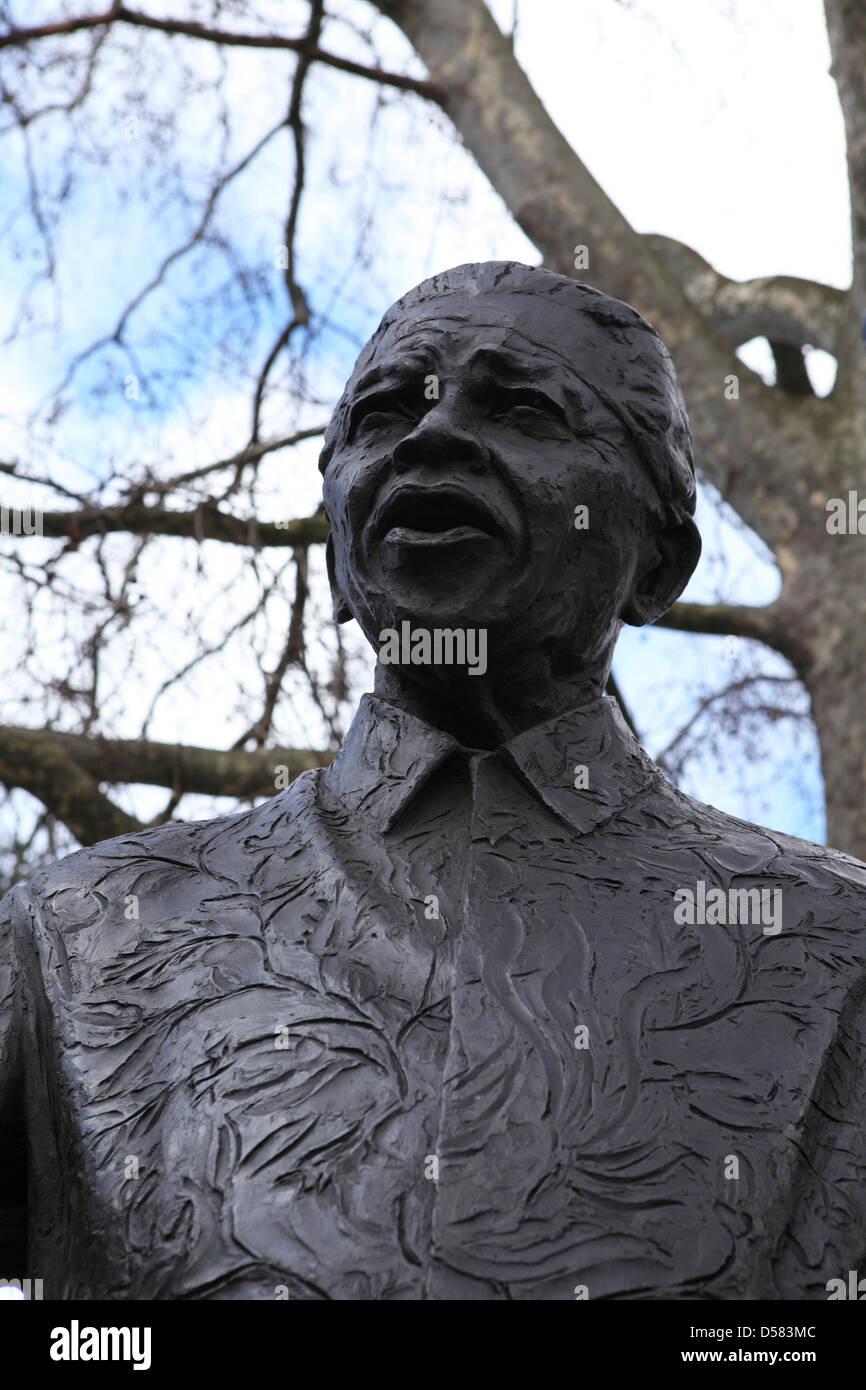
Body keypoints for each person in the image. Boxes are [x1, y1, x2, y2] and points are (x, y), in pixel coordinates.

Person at [2, 261, 865, 1300]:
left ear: (657, 563)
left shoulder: (837, 948)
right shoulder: (77, 934)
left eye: (521, 407)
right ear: (332, 551)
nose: (433, 435)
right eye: (383, 412)